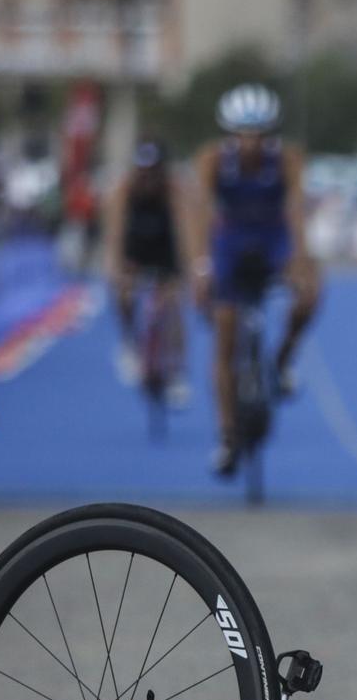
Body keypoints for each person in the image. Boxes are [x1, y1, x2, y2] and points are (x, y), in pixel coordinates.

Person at [188, 84, 321, 478]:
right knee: (225, 336)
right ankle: (228, 437)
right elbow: (200, 212)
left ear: (271, 133)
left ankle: (281, 362)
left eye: (260, 133)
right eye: (243, 133)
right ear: (230, 133)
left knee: (310, 292)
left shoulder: (288, 160)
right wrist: (200, 266)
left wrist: (300, 260)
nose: (251, 142)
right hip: (230, 242)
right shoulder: (212, 159)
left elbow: (296, 209)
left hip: (272, 239)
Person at [102, 139, 192, 406]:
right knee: (124, 293)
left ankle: (176, 371)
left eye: (154, 171)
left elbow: (185, 232)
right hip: (136, 250)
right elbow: (115, 234)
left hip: (166, 249)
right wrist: (115, 270)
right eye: (143, 171)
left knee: (174, 304)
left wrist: (189, 270)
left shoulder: (174, 191)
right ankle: (130, 341)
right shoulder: (124, 191)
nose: (148, 177)